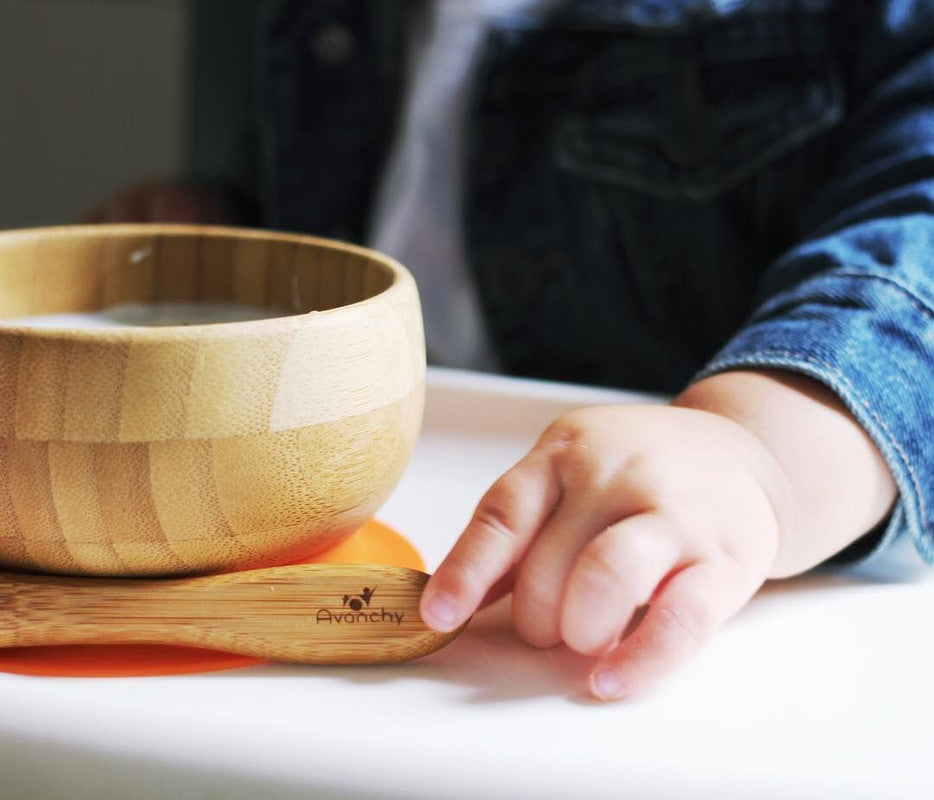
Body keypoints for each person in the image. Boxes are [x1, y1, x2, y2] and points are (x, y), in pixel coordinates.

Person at [88, 0, 933, 700]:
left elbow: (915, 217)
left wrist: (759, 459)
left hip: (659, 536)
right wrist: (228, 226)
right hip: (355, 468)